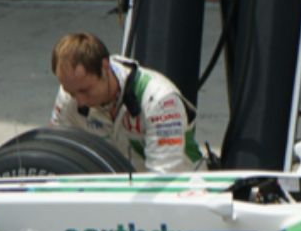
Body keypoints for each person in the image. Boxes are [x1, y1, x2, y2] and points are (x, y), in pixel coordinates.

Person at [48, 32, 204, 174]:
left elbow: (164, 177)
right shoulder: (70, 95)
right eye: (71, 93)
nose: (80, 101)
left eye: (85, 91)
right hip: (122, 189)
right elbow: (61, 155)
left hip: (184, 190)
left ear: (104, 67)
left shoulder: (160, 99)